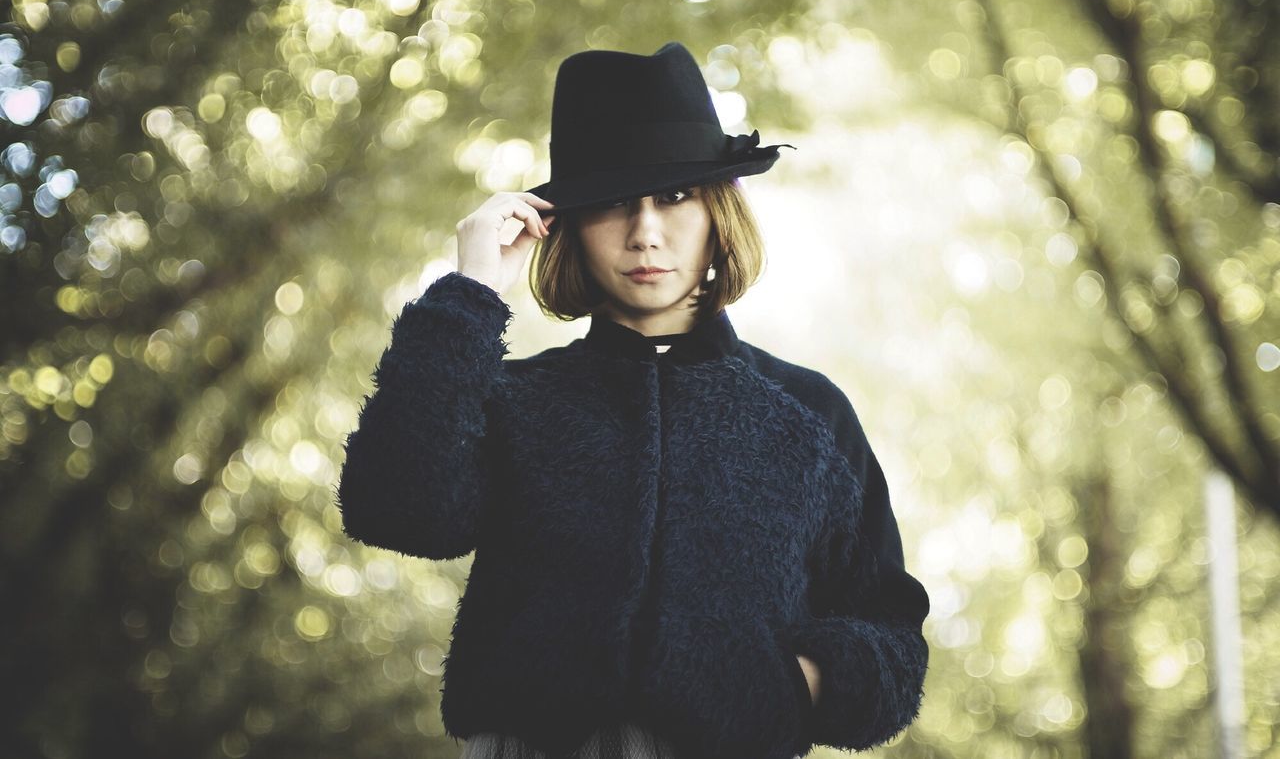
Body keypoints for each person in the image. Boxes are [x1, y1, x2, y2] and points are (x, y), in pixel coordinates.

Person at [333, 42, 931, 759]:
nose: (645, 231)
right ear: (569, 226)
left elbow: (892, 637)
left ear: (717, 213)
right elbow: (395, 509)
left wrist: (790, 683)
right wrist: (469, 295)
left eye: (674, 197)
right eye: (614, 201)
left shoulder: (807, 411)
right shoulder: (516, 399)